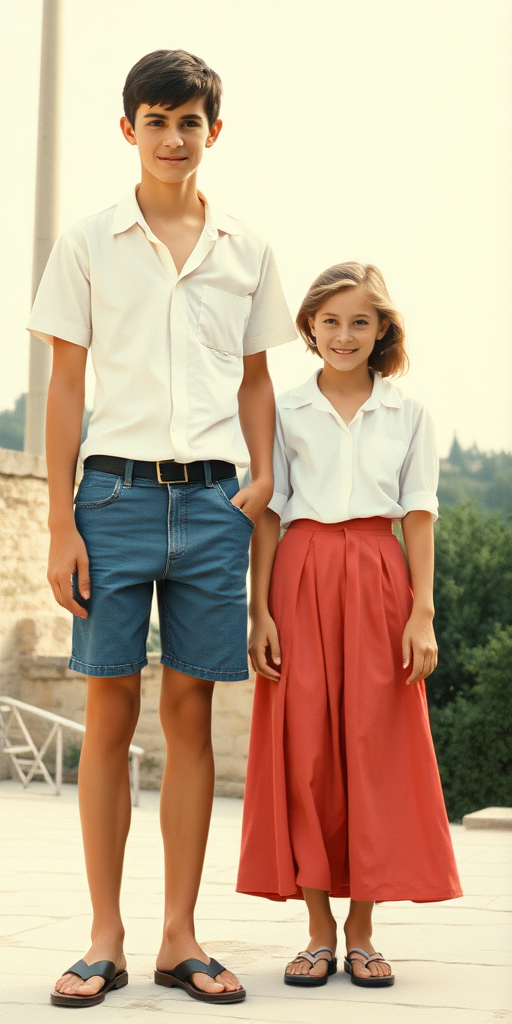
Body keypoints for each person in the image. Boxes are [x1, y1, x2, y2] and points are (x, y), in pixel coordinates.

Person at [28, 49, 296, 1008]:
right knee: (110, 716)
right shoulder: (89, 241)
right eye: (156, 120)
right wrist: (60, 522)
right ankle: (105, 936)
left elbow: (257, 379)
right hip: (113, 502)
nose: (173, 138)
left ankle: (182, 938)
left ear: (213, 132)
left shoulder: (248, 250)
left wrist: (262, 479)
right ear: (129, 129)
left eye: (190, 122)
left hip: (217, 507)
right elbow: (66, 383)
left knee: (191, 718)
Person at [237, 262, 462, 988]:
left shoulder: (410, 413)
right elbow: (269, 514)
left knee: (374, 748)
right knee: (303, 753)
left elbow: (420, 514)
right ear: (308, 328)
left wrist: (422, 612)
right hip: (300, 578)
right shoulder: (285, 410)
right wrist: (260, 608)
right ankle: (314, 931)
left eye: (360, 321)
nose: (344, 334)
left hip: (377, 579)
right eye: (330, 321)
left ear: (382, 329)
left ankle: (362, 930)